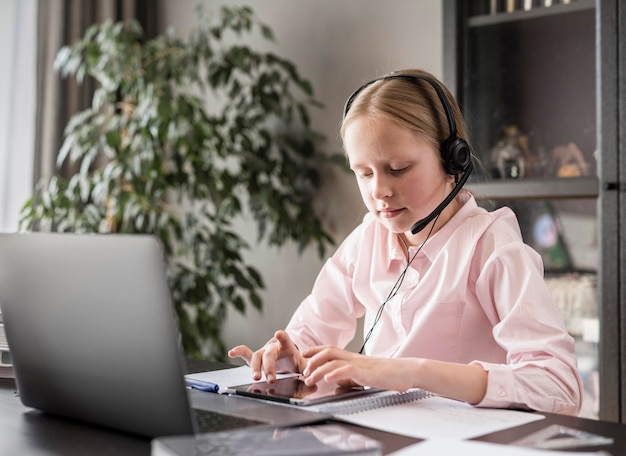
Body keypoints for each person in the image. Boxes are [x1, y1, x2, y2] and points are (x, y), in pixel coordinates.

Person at [228, 68, 582, 415]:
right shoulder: (369, 237)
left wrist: (411, 372)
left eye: (398, 168)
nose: (379, 190)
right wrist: (289, 356)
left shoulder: (491, 245)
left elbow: (559, 385)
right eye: (363, 174)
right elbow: (311, 329)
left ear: (453, 160)